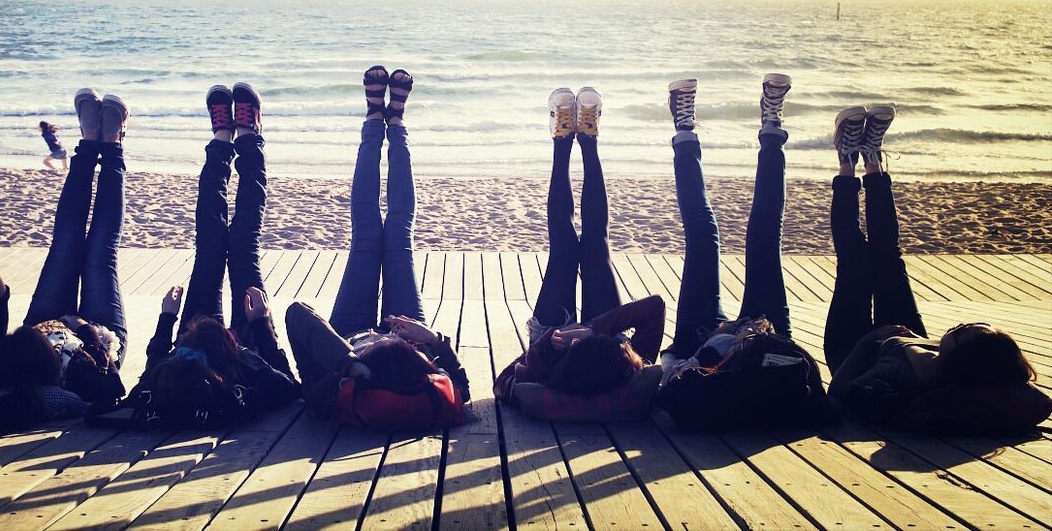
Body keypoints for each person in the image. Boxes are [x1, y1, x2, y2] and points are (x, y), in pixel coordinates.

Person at [824, 106, 1051, 434]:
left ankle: (846, 159)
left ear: (960, 355)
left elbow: (839, 394)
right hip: (908, 332)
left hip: (854, 348)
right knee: (889, 257)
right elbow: (1034, 397)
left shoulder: (898, 379)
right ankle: (871, 157)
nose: (965, 324)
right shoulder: (966, 365)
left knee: (854, 261)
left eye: (968, 330)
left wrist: (876, 337)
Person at [97, 82, 300, 430]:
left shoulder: (162, 394)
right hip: (245, 346)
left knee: (212, 247)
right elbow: (288, 386)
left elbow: (152, 371)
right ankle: (247, 137)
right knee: (240, 246)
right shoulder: (236, 394)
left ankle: (224, 138)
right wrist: (262, 326)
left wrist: (167, 321)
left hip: (193, 339)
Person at [0, 89, 132, 431]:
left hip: (44, 323)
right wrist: (82, 329)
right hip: (99, 338)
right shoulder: (74, 386)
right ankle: (108, 144)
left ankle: (93, 141)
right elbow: (112, 387)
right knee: (99, 251)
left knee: (70, 245)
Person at [286, 67, 470, 431]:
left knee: (371, 231)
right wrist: (430, 340)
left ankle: (377, 120)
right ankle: (395, 124)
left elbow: (297, 315)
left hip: (350, 333)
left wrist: (352, 361)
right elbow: (462, 390)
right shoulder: (428, 398)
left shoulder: (344, 396)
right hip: (406, 337)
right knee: (397, 231)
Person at [654, 75, 835, 431]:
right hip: (765, 335)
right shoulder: (776, 402)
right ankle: (771, 126)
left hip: (700, 337)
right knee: (762, 238)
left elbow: (669, 381)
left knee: (706, 237)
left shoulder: (704, 404)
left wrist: (688, 358)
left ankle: (686, 129)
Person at [494, 87, 666, 420]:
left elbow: (503, 382)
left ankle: (563, 141)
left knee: (565, 248)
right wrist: (596, 330)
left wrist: (549, 343)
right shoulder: (630, 371)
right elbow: (655, 307)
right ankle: (587, 138)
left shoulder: (548, 374)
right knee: (594, 242)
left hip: (553, 332)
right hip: (603, 331)